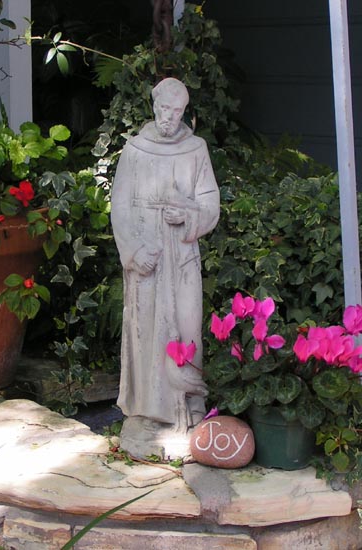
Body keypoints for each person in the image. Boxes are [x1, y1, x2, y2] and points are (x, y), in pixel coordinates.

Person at [111, 78, 220, 455]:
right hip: (148, 255)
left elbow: (210, 204)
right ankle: (146, 413)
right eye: (163, 110)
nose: (168, 119)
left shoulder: (196, 150)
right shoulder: (136, 150)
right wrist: (134, 250)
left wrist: (189, 214)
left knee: (187, 326)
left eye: (176, 112)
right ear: (154, 108)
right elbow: (120, 206)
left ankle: (189, 404)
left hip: (182, 252)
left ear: (184, 112)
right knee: (145, 331)